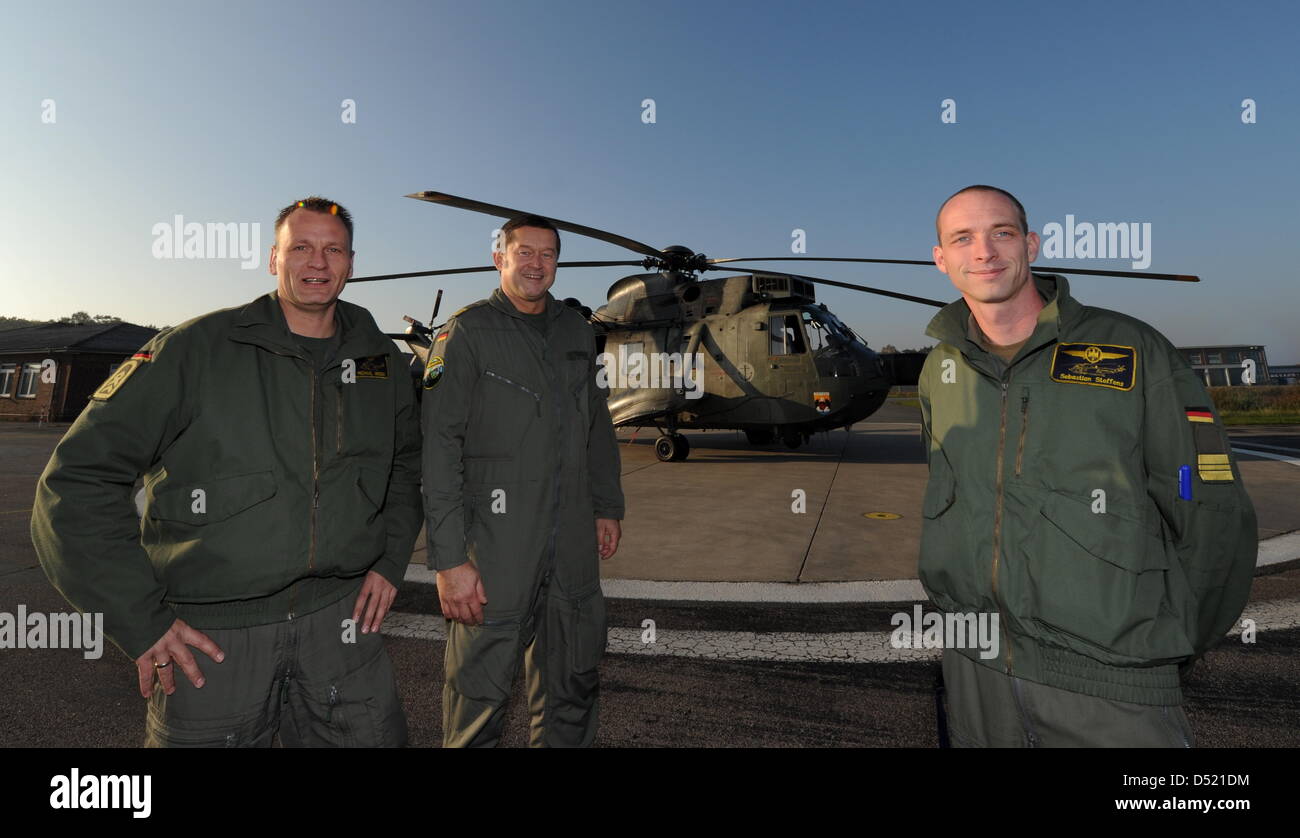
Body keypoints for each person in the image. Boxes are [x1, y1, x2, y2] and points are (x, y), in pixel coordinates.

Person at [32, 197, 422, 747]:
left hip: (343, 625)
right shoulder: (195, 349)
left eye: (332, 249)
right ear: (272, 259)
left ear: (351, 262)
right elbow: (74, 483)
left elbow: (406, 465)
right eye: (301, 248)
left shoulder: (378, 360)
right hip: (213, 638)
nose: (317, 262)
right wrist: (139, 619)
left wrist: (389, 558)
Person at [918, 185, 1257, 747]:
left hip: (1110, 680)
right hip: (975, 671)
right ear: (941, 259)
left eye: (1001, 233)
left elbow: (1211, 514)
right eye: (963, 238)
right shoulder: (941, 368)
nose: (984, 252)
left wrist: (1167, 642)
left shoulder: (1130, 349)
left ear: (1031, 244)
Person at [422, 214, 624, 748]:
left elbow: (597, 427)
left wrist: (607, 505)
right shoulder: (467, 332)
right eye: (525, 252)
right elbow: (440, 449)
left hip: (573, 543)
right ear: (500, 258)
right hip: (495, 545)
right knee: (479, 694)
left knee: (574, 686)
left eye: (549, 254)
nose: (537, 264)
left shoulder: (577, 332)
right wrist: (448, 559)